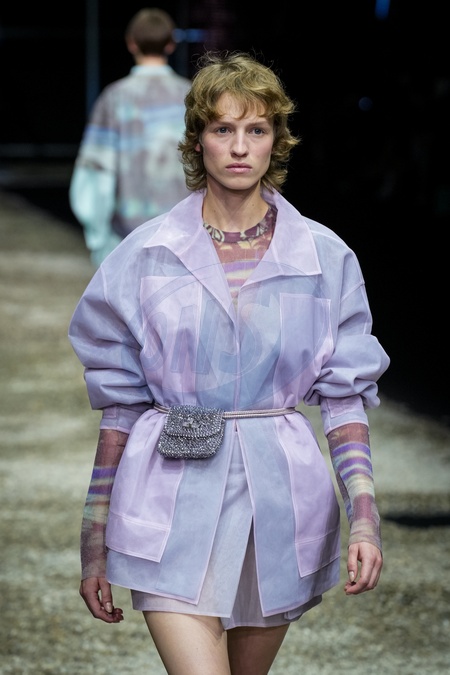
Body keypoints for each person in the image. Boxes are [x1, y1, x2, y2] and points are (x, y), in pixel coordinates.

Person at [68, 51, 390, 674]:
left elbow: (344, 399)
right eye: (223, 128)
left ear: (276, 140)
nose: (240, 147)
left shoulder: (324, 257)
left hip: (279, 503)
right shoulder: (146, 255)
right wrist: (92, 543)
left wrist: (365, 521)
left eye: (256, 129)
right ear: (198, 140)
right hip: (167, 498)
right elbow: (120, 405)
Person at [69, 7, 191, 267]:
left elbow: (96, 172)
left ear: (131, 43)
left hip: (126, 241)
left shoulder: (115, 98)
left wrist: (98, 237)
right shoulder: (192, 97)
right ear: (171, 44)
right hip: (187, 238)